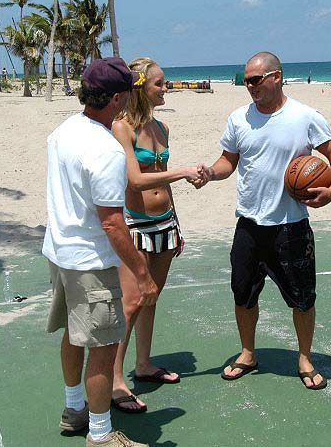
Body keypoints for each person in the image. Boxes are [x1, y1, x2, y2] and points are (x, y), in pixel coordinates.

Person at [193, 51, 331, 390]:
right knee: (243, 294)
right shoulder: (239, 118)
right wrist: (210, 174)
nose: (249, 86)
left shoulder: (305, 116)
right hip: (248, 225)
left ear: (276, 77)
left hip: (291, 227)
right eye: (246, 80)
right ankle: (248, 353)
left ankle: (305, 358)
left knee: (303, 297)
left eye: (256, 79)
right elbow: (227, 161)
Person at [43, 57, 159, 447]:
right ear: (116, 98)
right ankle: (100, 434)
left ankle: (74, 408)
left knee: (75, 336)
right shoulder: (105, 150)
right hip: (89, 261)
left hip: (59, 253)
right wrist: (141, 273)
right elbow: (112, 222)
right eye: (128, 89)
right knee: (103, 347)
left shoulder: (62, 131)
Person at [108, 57, 201, 412]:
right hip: (136, 224)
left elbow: (160, 175)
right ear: (140, 87)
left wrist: (177, 224)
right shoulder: (122, 128)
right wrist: (181, 172)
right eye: (159, 83)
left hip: (164, 224)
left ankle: (143, 365)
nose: (166, 88)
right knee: (130, 304)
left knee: (152, 297)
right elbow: (135, 179)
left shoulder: (161, 127)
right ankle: (116, 381)